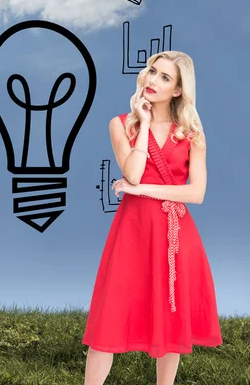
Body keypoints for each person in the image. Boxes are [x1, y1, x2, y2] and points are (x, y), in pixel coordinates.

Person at [81, 51, 223, 385]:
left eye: (164, 77)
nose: (152, 80)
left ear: (177, 89)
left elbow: (196, 194)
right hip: (132, 231)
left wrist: (142, 189)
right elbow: (130, 171)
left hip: (176, 235)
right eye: (151, 71)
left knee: (171, 318)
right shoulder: (121, 123)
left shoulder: (192, 133)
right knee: (110, 317)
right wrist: (143, 124)